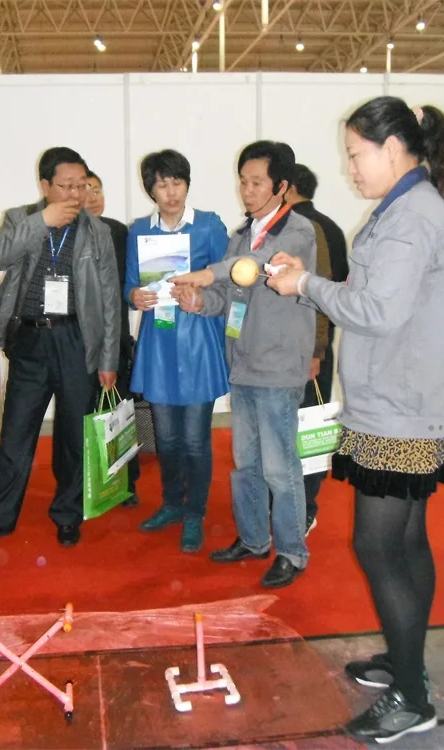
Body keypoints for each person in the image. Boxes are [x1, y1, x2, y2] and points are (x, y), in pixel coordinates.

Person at [267, 96, 444, 743]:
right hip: (400, 402)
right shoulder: (408, 206)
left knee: (379, 545)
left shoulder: (412, 214)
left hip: (398, 410)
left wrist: (305, 286)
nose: (351, 167)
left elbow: (378, 311)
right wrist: (310, 280)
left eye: (357, 155)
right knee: (405, 543)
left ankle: (411, 695)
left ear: (392, 149)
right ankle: (406, 660)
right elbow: (379, 296)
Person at [171, 141, 317, 588]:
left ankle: (292, 551)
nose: (247, 191)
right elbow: (228, 297)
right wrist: (199, 302)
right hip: (244, 365)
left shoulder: (297, 232)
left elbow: (255, 267)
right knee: (246, 464)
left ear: (281, 187)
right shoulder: (240, 234)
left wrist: (207, 273)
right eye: (243, 182)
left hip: (278, 367)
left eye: (257, 183)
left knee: (279, 467)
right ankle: (254, 539)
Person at [0, 146, 120, 548]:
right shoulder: (20, 218)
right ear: (45, 185)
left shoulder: (96, 231)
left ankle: (67, 513)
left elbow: (109, 298)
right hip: (30, 340)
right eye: (66, 186)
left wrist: (108, 357)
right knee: (16, 433)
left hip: (76, 339)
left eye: (82, 185)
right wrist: (42, 221)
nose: (76, 194)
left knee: (73, 435)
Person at [124, 150, 230, 553]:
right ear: (150, 189)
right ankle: (172, 503)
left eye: (177, 183)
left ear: (187, 184)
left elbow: (226, 282)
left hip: (198, 340)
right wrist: (134, 295)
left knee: (195, 440)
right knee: (166, 438)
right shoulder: (139, 230)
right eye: (161, 184)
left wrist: (200, 295)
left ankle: (195, 513)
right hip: (159, 341)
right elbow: (130, 284)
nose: (170, 192)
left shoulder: (208, 225)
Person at [285, 163, 349, 533]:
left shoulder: (306, 228)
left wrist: (315, 350)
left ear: (287, 188)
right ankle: (302, 500)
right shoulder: (332, 227)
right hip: (318, 345)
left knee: (303, 424)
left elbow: (322, 290)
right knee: (307, 424)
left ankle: (305, 507)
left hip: (309, 346)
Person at [84, 169, 141, 507]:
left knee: (120, 413)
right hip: (79, 342)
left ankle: (126, 483)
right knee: (85, 412)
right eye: (86, 190)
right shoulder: (67, 234)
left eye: (98, 190)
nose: (93, 197)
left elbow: (134, 281)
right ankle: (89, 480)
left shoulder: (120, 232)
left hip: (115, 338)